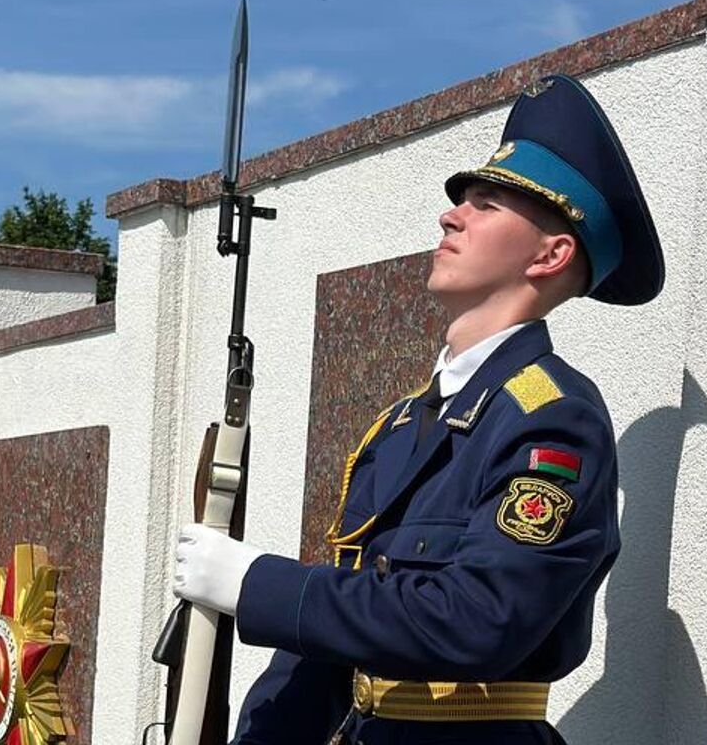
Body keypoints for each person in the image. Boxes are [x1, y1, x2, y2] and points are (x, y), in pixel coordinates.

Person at [172, 74, 665, 744]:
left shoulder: (553, 421)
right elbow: (329, 646)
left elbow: (478, 621)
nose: (451, 214)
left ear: (552, 254)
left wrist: (259, 584)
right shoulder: (403, 425)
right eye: (463, 200)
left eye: (487, 205)